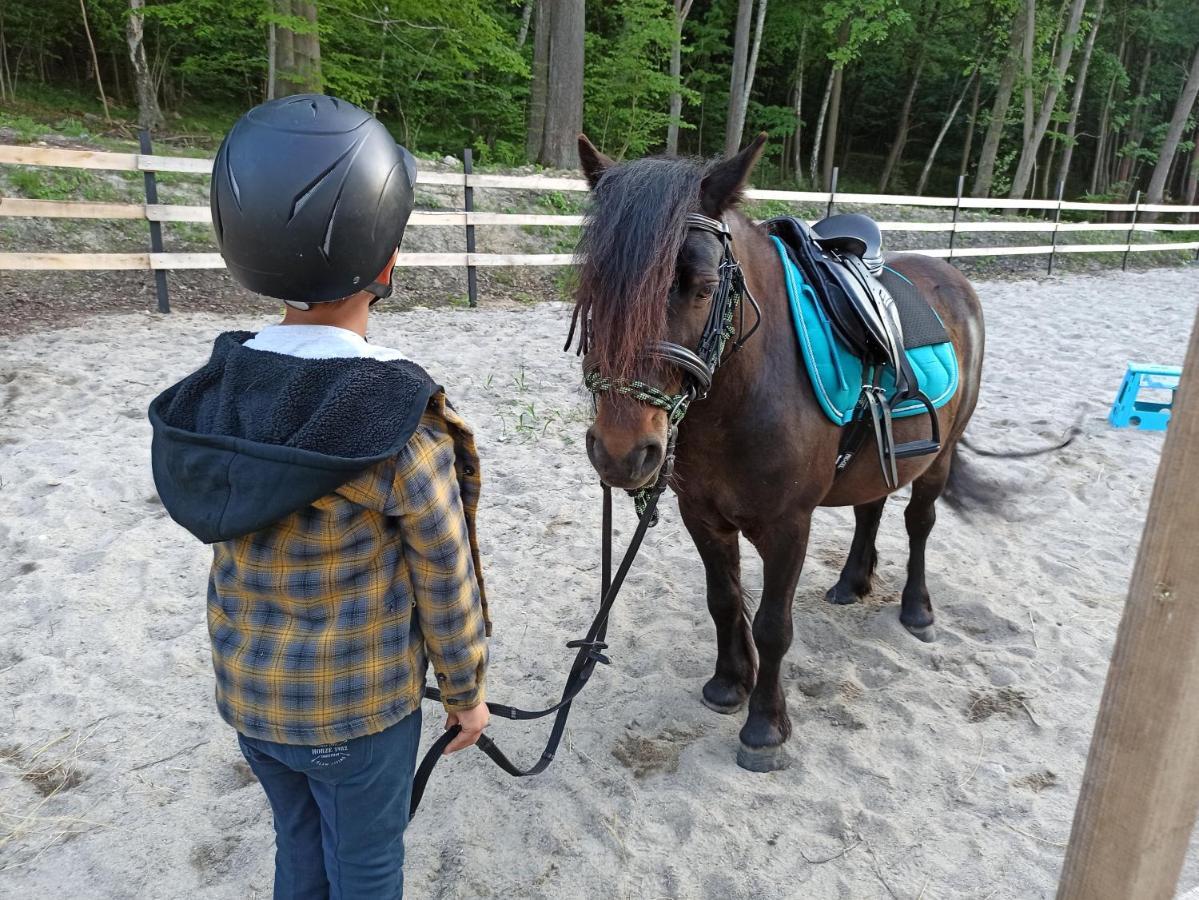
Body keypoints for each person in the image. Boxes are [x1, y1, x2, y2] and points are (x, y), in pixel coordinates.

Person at [148, 94, 490, 899]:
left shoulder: (213, 397)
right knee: (366, 866)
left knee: (297, 849)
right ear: (388, 262)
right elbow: (445, 578)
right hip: (356, 714)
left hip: (252, 701)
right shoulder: (397, 426)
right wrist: (467, 694)